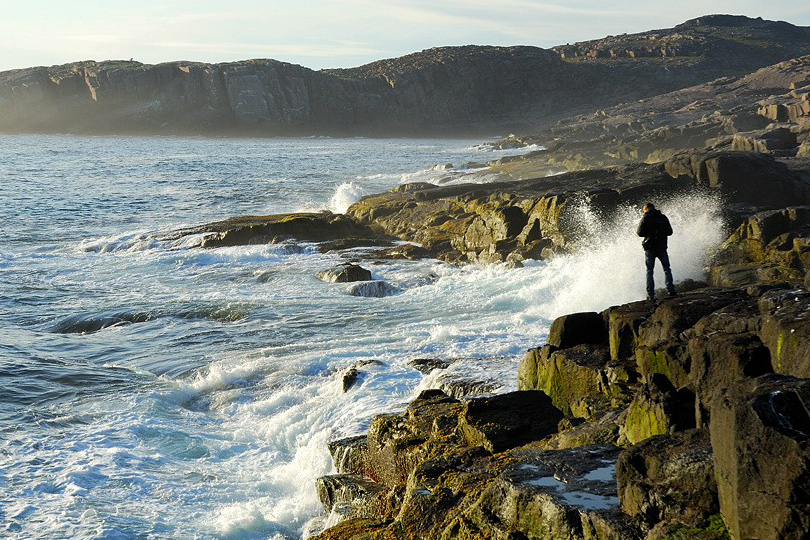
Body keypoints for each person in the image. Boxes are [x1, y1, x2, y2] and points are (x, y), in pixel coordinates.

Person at [637, 202, 675, 301]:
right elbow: (670, 232)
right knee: (667, 269)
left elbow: (639, 233)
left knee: (649, 271)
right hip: (662, 247)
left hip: (650, 249)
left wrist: (649, 233)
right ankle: (671, 291)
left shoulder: (645, 218)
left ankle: (651, 294)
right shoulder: (663, 217)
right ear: (653, 208)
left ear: (645, 209)